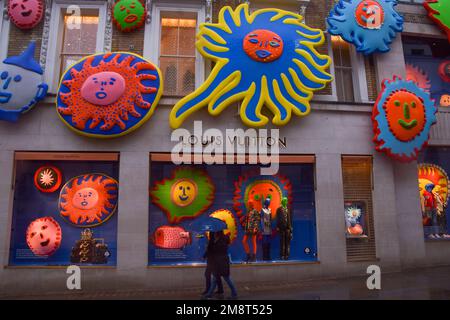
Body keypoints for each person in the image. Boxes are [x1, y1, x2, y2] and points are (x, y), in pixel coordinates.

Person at [202, 230, 238, 300]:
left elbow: (220, 249)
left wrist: (211, 246)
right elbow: (211, 250)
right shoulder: (214, 240)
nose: (213, 233)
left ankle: (234, 294)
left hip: (222, 261)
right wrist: (209, 245)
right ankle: (209, 294)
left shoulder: (223, 239)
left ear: (218, 232)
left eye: (215, 232)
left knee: (227, 278)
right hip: (217, 262)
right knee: (215, 278)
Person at [202, 232, 224, 298]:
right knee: (216, 275)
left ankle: (208, 290)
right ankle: (220, 289)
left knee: (208, 274)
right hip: (213, 260)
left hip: (212, 261)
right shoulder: (213, 241)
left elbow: (209, 250)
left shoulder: (213, 241)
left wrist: (204, 256)